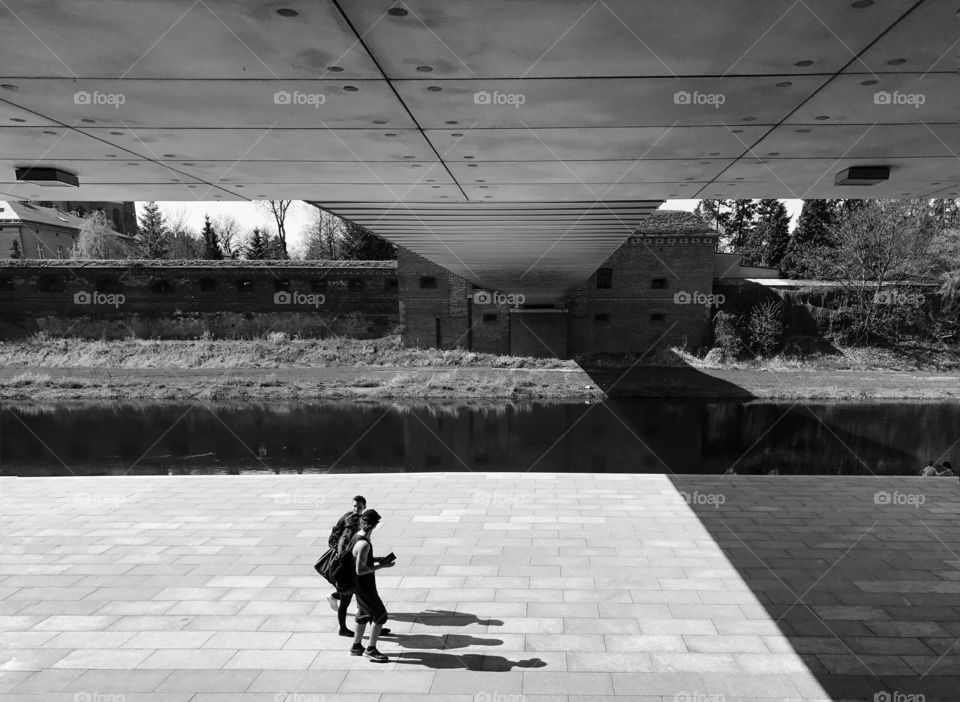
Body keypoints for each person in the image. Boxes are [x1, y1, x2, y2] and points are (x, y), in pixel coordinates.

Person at [349, 508, 394, 662]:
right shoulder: (364, 544)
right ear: (375, 525)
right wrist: (382, 566)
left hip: (358, 586)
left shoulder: (356, 537)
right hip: (364, 586)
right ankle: (371, 649)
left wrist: (378, 559)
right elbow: (360, 569)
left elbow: (359, 559)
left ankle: (356, 646)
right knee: (381, 615)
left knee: (363, 615)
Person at [326, 496, 367, 611]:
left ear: (364, 507)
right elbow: (336, 537)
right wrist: (340, 553)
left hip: (355, 554)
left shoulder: (363, 519)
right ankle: (335, 597)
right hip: (345, 556)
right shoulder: (347, 518)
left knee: (355, 583)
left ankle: (361, 609)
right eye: (354, 506)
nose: (356, 509)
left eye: (359, 507)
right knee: (351, 584)